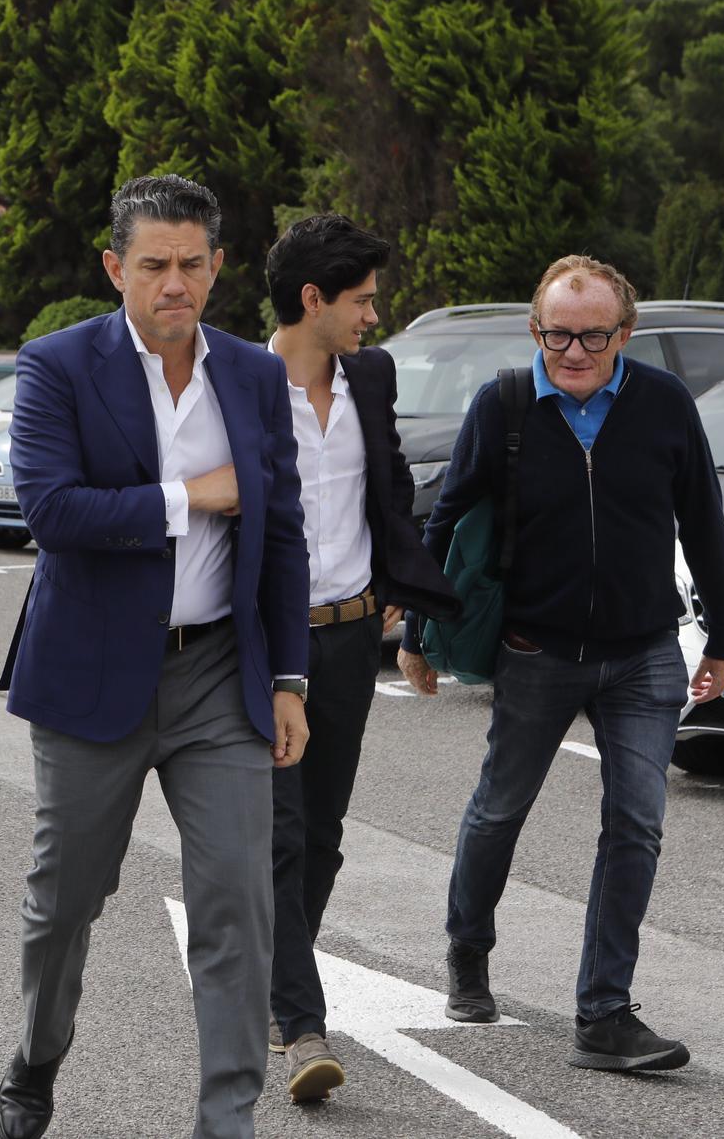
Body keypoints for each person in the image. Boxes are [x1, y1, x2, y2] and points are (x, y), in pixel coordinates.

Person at [0, 174, 312, 1139]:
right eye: (153, 265)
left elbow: (285, 531)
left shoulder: (254, 375)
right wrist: (189, 497)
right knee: (65, 901)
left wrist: (289, 677)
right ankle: (37, 1055)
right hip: (93, 678)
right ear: (114, 268)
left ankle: (228, 1119)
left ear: (217, 266)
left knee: (237, 904)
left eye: (192, 263)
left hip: (220, 672)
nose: (174, 283)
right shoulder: (58, 364)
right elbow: (51, 509)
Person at [398, 254, 724, 1073]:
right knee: (498, 810)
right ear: (535, 329)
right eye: (558, 334)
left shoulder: (663, 405)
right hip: (536, 650)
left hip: (644, 655)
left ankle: (603, 1013)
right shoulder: (506, 404)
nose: (575, 351)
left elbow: (704, 520)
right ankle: (467, 950)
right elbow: (445, 520)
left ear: (625, 331)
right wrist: (416, 632)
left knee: (637, 824)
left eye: (593, 335)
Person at [260, 215, 458, 1102]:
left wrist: (394, 589)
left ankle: (271, 985)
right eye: (364, 299)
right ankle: (302, 1028)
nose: (375, 315)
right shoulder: (239, 383)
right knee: (280, 834)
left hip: (348, 638)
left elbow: (390, 482)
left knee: (326, 837)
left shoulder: (369, 377)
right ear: (314, 299)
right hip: (269, 640)